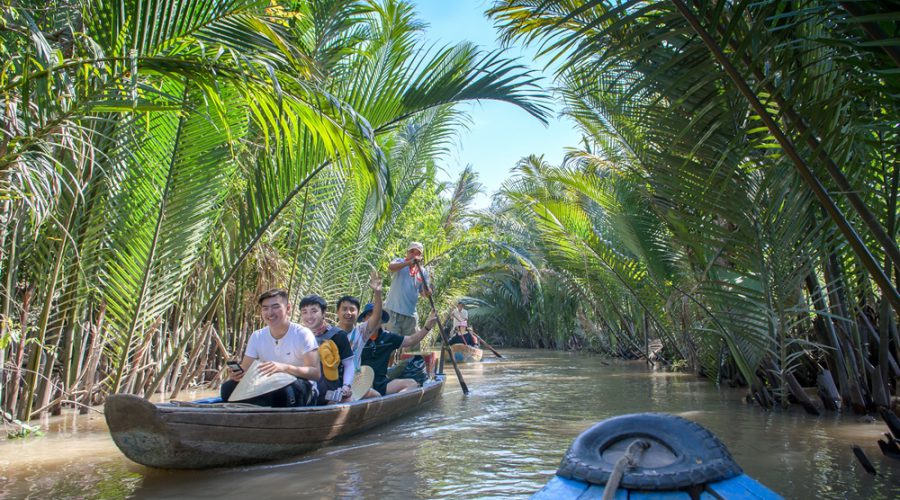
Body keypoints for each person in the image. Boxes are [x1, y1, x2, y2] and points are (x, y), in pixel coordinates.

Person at [221, 289, 320, 407]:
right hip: (267, 384)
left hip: (300, 386)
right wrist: (238, 375)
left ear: (288, 308)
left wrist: (284, 368)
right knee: (227, 389)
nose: (270, 313)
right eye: (265, 308)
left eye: (275, 307)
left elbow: (315, 373)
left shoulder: (303, 334)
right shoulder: (257, 336)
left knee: (282, 392)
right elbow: (246, 368)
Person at [298, 294, 355, 404]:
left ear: (323, 313)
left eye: (314, 311)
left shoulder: (338, 335)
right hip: (305, 390)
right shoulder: (299, 336)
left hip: (331, 391)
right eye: (304, 312)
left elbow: (349, 364)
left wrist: (346, 385)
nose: (309, 316)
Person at [383, 242, 431, 344]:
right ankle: (392, 360)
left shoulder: (423, 272)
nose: (414, 255)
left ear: (420, 256)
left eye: (417, 253)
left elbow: (423, 293)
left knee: (412, 349)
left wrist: (427, 292)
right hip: (393, 312)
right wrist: (408, 263)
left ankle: (407, 360)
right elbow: (391, 267)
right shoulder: (399, 262)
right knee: (390, 346)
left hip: (410, 315)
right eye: (412, 252)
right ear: (407, 252)